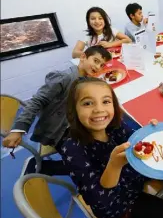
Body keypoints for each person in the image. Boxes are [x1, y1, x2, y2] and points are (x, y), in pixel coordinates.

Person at [60, 77, 163, 218]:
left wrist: (149, 135)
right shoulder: (72, 149)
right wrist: (115, 165)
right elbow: (102, 202)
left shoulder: (116, 126)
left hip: (133, 182)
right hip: (117, 207)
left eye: (106, 101)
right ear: (74, 110)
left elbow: (136, 145)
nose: (99, 110)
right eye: (88, 103)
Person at [2, 46, 112, 175]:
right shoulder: (64, 77)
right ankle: (43, 167)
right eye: (96, 61)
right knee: (90, 165)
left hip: (76, 123)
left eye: (102, 65)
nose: (98, 67)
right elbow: (37, 101)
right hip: (59, 131)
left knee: (106, 145)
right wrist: (18, 129)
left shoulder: (86, 80)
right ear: (83, 57)